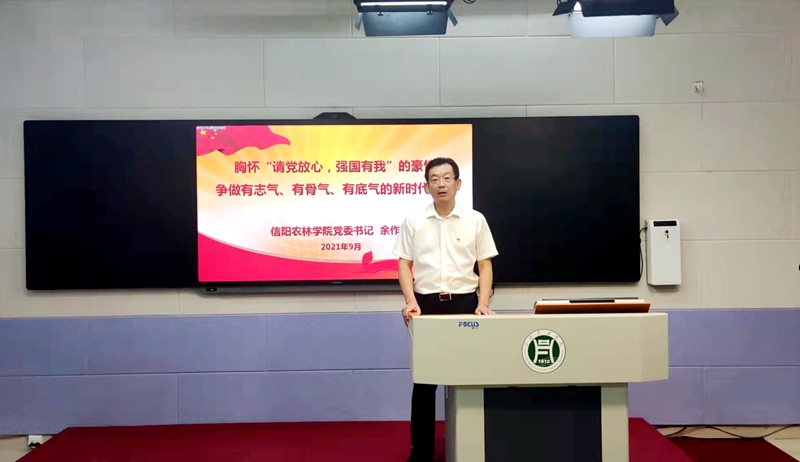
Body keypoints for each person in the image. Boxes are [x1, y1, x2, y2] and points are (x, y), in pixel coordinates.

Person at [392, 157, 499, 462]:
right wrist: (410, 300)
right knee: (425, 384)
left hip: (465, 304)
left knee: (469, 377)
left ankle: (472, 449)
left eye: (447, 178)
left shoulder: (475, 219)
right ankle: (421, 453)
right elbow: (404, 264)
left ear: (458, 183)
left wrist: (483, 303)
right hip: (426, 306)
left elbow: (485, 264)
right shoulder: (414, 220)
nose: (441, 184)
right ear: (426, 186)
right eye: (434, 179)